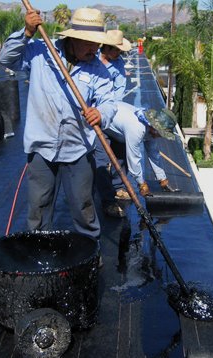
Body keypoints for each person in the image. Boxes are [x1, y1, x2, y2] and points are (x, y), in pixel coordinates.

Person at [0, 8, 117, 242]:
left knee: (83, 206)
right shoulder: (42, 51)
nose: (95, 49)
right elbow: (6, 59)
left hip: (78, 148)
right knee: (39, 207)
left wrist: (100, 113)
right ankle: (38, 250)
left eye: (97, 44)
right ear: (72, 38)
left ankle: (90, 251)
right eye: (90, 43)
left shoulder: (98, 70)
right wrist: (27, 32)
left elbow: (109, 102)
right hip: (42, 145)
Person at [103, 101, 178, 197]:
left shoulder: (150, 128)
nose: (160, 137)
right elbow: (134, 159)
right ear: (155, 128)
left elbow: (153, 153)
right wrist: (141, 183)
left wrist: (162, 179)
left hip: (119, 132)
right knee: (101, 161)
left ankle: (117, 188)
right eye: (161, 133)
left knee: (121, 158)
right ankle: (106, 199)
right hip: (101, 122)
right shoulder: (137, 128)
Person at [95, 30, 132, 217]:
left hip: (112, 112)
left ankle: (118, 185)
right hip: (92, 114)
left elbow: (119, 90)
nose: (119, 54)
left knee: (119, 147)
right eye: (117, 50)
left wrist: (110, 111)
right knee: (100, 157)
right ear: (106, 48)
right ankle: (106, 198)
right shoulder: (91, 59)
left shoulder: (118, 64)